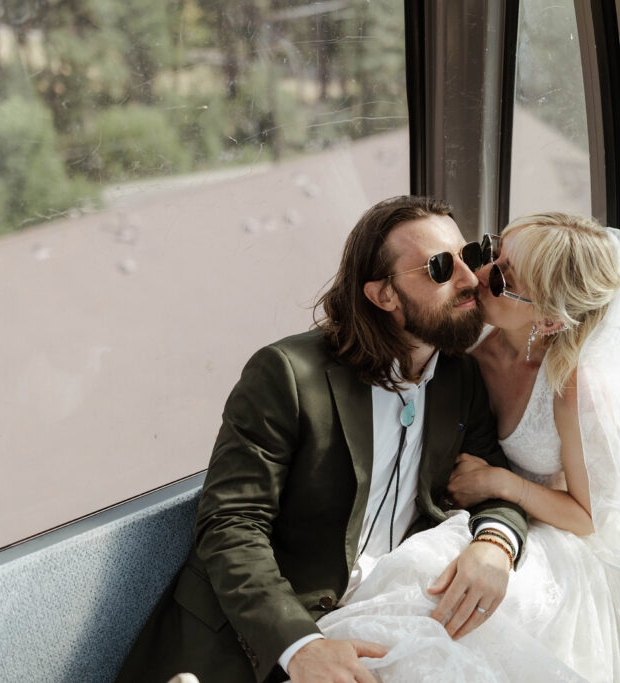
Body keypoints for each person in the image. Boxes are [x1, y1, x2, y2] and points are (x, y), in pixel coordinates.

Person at [115, 196, 528, 683]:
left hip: (383, 618)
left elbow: (494, 479)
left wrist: (495, 545)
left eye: (471, 256)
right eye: (440, 268)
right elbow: (230, 528)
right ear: (383, 296)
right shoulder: (286, 374)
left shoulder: (460, 375)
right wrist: (303, 647)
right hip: (256, 642)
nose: (468, 279)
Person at [314, 212, 620, 682]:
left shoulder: (576, 386)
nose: (475, 276)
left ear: (551, 319)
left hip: (551, 536)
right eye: (490, 253)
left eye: (501, 278)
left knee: (434, 594)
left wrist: (505, 485)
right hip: (470, 512)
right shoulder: (466, 337)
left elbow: (588, 517)